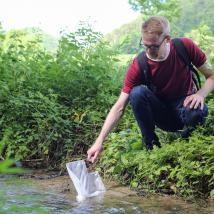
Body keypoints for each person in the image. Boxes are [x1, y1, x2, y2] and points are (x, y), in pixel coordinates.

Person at [87, 16, 214, 163]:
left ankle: (189, 143)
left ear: (167, 40)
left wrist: (201, 94)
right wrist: (99, 141)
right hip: (162, 112)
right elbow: (119, 107)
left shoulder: (184, 47)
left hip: (186, 107)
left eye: (153, 46)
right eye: (145, 45)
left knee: (198, 110)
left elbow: (211, 77)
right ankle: (152, 148)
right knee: (137, 92)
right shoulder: (139, 63)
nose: (148, 50)